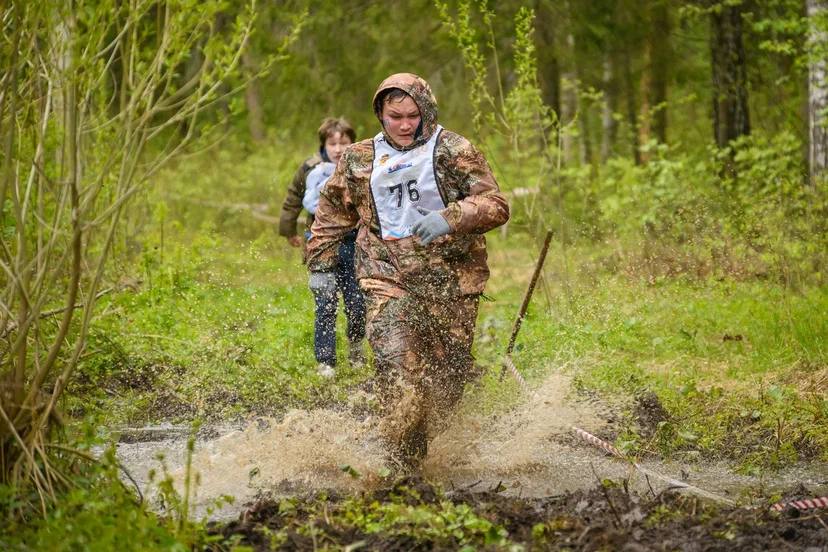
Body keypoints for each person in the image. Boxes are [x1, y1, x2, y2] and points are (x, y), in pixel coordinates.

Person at [306, 73, 509, 470]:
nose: (403, 125)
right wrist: (320, 265)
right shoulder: (359, 158)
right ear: (380, 114)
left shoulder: (454, 149)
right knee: (395, 363)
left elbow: (496, 204)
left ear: (426, 111)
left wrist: (452, 217)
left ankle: (434, 447)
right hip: (385, 274)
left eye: (412, 116)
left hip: (450, 279)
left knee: (448, 379)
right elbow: (331, 213)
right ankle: (404, 463)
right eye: (394, 116)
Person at [279, 117, 366, 377]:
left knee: (357, 301)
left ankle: (357, 348)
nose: (338, 149)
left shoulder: (361, 166)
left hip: (354, 241)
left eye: (344, 142)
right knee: (325, 299)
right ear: (324, 144)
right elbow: (294, 197)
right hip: (320, 239)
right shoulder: (310, 168)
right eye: (333, 143)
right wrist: (288, 230)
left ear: (353, 142)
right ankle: (325, 361)